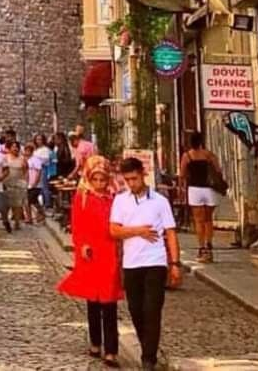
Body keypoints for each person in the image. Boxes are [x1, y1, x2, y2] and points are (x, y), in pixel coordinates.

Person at [110, 156, 181, 371]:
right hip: (132, 264)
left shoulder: (160, 201)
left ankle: (148, 357)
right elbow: (114, 230)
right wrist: (138, 230)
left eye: (134, 178)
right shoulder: (121, 201)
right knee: (136, 309)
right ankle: (146, 345)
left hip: (155, 262)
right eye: (127, 180)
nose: (131, 183)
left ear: (142, 174)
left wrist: (175, 263)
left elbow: (170, 232)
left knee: (152, 310)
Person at [57, 155, 122, 368]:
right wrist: (82, 244)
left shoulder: (114, 198)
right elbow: (78, 224)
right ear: (90, 179)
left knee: (109, 301)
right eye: (96, 180)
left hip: (110, 251)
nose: (100, 184)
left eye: (103, 180)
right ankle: (95, 342)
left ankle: (111, 350)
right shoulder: (82, 197)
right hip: (91, 252)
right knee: (93, 300)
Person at [179, 130, 224, 263]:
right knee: (208, 219)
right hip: (209, 189)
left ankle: (201, 247)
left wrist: (183, 186)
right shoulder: (208, 155)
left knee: (198, 220)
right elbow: (218, 170)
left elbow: (182, 174)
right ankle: (209, 245)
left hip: (194, 189)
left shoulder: (187, 156)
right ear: (201, 141)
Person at [4, 139, 28, 228]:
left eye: (16, 147)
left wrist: (24, 181)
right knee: (6, 203)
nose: (15, 149)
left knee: (17, 204)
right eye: (13, 147)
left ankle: (17, 222)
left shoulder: (22, 158)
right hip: (7, 182)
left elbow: (25, 170)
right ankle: (5, 220)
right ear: (9, 148)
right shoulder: (5, 157)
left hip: (18, 182)